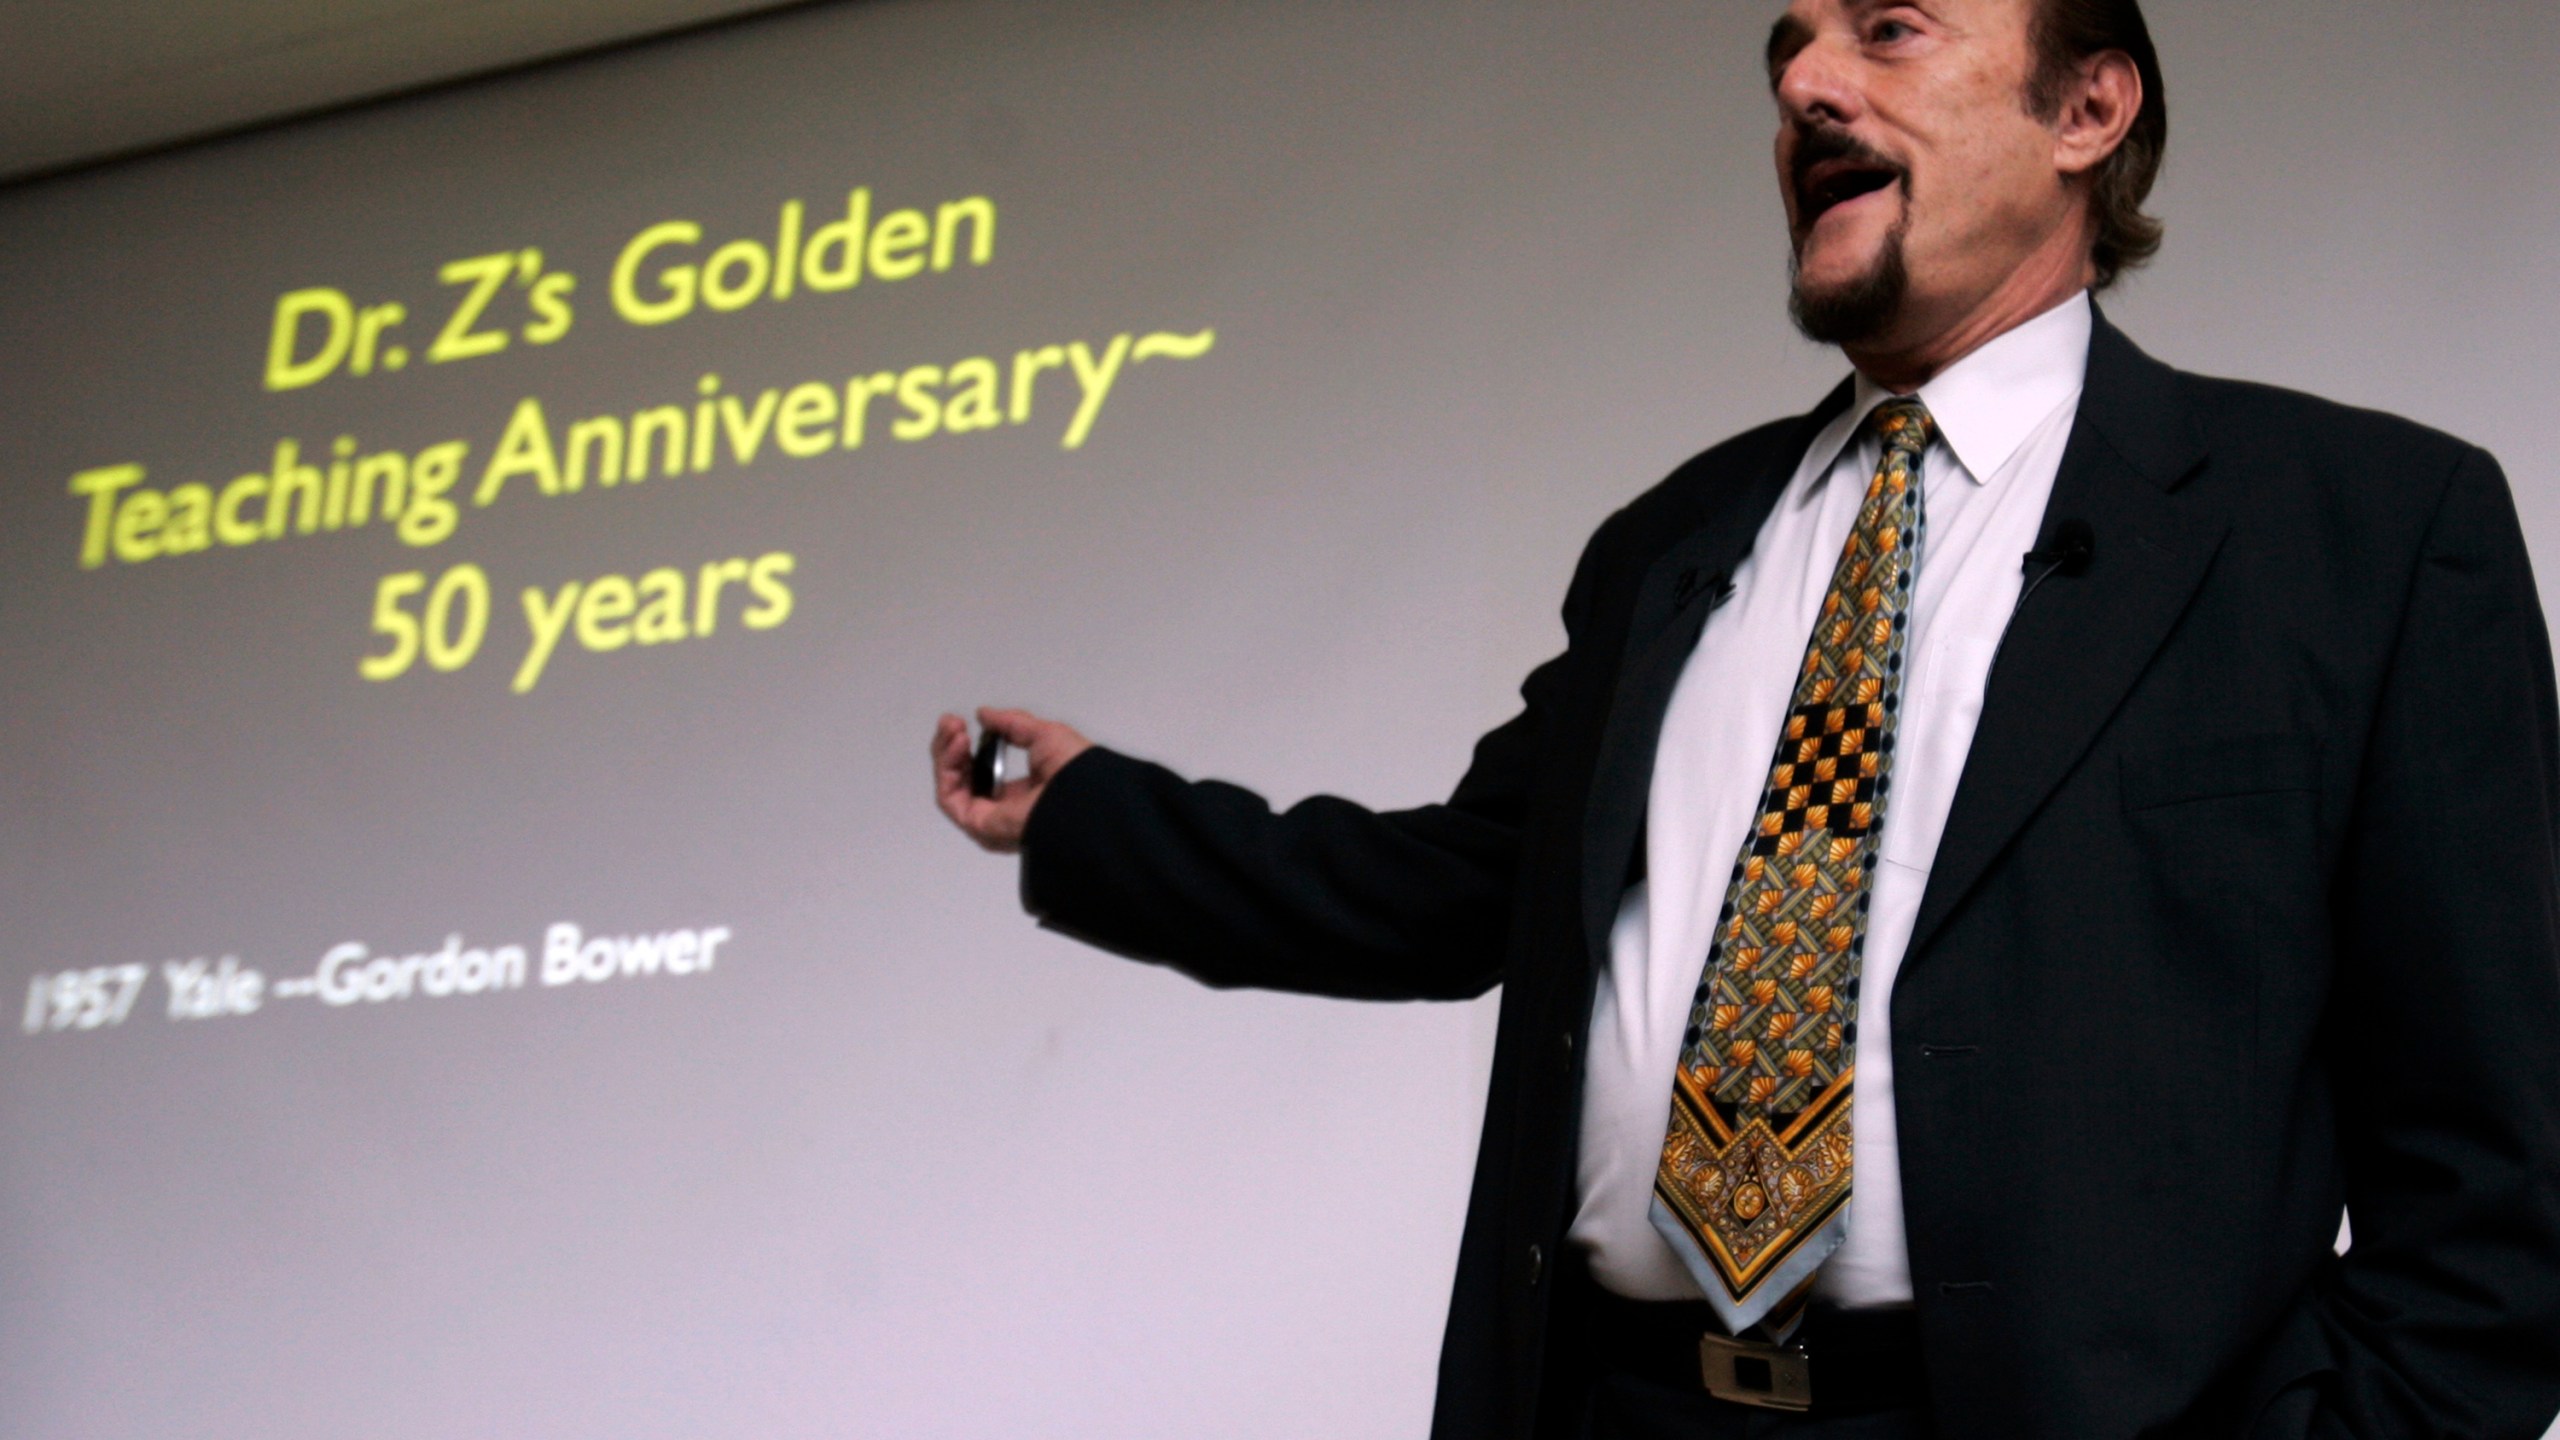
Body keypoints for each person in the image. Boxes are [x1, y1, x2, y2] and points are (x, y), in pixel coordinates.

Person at [930, 1, 2560, 1435]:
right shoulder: (1672, 543)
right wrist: (1093, 816)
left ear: (2089, 111)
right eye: (1785, 55)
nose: (1807, 89)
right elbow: (1457, 885)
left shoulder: (2356, 532)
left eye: (1888, 30)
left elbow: (2493, 1164)